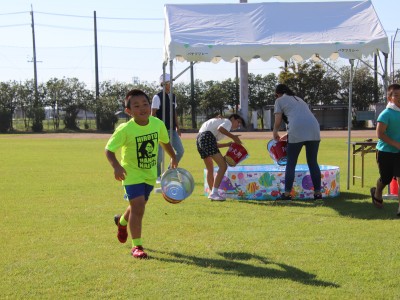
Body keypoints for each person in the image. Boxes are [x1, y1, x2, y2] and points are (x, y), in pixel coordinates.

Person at [105, 89, 178, 259]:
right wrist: (116, 166)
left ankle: (122, 222)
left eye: (145, 104)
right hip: (131, 174)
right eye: (136, 106)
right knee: (139, 208)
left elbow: (164, 142)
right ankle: (136, 246)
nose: (143, 108)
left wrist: (173, 156)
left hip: (150, 173)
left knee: (139, 205)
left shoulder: (157, 124)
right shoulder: (125, 129)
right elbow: (109, 150)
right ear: (128, 111)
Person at [272, 83, 322, 200]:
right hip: (314, 128)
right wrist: (288, 134)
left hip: (296, 129)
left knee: (291, 162)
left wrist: (275, 132)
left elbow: (278, 120)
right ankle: (318, 193)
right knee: (313, 162)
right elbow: (302, 118)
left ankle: (287, 193)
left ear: (277, 94)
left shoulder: (279, 100)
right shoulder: (299, 99)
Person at [197, 114, 245, 201]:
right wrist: (234, 137)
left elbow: (213, 144)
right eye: (238, 122)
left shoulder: (220, 122)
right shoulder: (227, 122)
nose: (238, 125)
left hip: (199, 139)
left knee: (210, 168)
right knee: (223, 166)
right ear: (233, 118)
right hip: (206, 137)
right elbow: (220, 129)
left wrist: (227, 144)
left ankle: (213, 193)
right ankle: (214, 193)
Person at [370, 83, 400, 215]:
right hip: (385, 152)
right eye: (396, 95)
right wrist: (396, 144)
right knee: (386, 178)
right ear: (389, 98)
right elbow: (380, 134)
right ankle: (377, 191)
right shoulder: (386, 114)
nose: (399, 98)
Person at [151, 74, 184, 183]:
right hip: (161, 131)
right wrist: (156, 127)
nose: (171, 84)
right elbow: (153, 114)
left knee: (180, 151)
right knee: (159, 156)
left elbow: (174, 112)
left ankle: (169, 171)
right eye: (169, 82)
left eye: (171, 82)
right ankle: (157, 176)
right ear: (164, 84)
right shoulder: (157, 97)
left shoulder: (173, 96)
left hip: (172, 130)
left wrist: (178, 127)